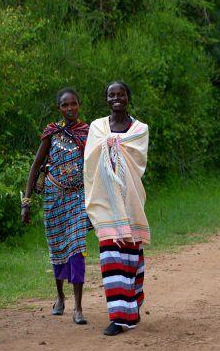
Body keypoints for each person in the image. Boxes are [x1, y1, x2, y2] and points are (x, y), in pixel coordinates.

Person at [83, 81, 150, 336]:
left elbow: (136, 158)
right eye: (111, 95)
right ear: (106, 99)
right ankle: (119, 317)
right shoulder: (97, 127)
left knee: (131, 258)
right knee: (111, 258)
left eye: (120, 94)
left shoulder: (140, 129)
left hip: (130, 202)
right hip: (106, 204)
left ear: (128, 97)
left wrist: (111, 145)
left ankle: (132, 305)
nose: (116, 98)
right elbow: (90, 161)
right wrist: (110, 144)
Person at [22, 88, 91, 325]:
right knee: (58, 248)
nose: (70, 108)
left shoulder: (89, 133)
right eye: (65, 105)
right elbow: (35, 166)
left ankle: (79, 307)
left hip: (78, 197)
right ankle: (60, 297)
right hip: (53, 197)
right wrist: (26, 203)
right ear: (59, 108)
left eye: (73, 104)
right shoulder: (52, 133)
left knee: (77, 248)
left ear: (79, 105)